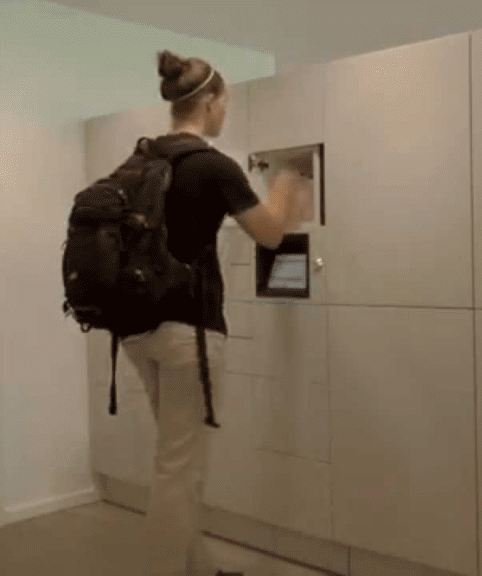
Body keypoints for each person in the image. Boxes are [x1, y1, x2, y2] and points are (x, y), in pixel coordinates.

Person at [119, 50, 305, 576]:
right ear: (211, 101)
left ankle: (197, 567)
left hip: (135, 331)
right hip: (188, 335)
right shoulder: (213, 166)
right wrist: (287, 185)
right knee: (178, 468)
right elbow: (270, 233)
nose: (226, 113)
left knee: (179, 458)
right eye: (226, 103)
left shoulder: (140, 161)